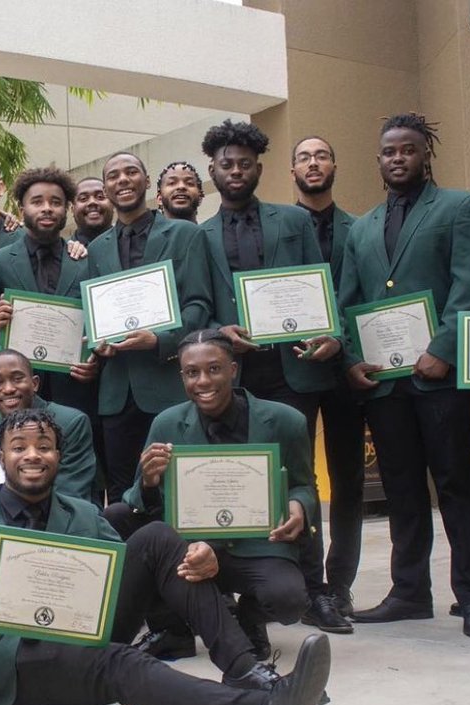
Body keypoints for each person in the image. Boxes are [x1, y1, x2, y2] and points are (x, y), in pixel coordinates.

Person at [0, 408, 332, 705]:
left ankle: (246, 670)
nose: (32, 455)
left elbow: (122, 575)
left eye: (44, 446)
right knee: (124, 663)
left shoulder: (83, 513)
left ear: (59, 456)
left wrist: (198, 559)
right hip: (20, 659)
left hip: (82, 629)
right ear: (1, 456)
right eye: (19, 447)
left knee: (157, 536)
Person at [336, 113, 470, 639]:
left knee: (456, 483)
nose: (397, 158)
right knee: (403, 489)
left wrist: (445, 347)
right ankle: (409, 592)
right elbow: (351, 301)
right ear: (378, 160)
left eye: (408, 149)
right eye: (388, 151)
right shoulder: (361, 227)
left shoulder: (460, 207)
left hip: (440, 376)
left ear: (426, 154)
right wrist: (353, 358)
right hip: (385, 384)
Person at [198, 120, 346, 634]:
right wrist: (219, 329)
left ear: (258, 169)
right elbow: (199, 306)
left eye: (244, 164)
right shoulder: (199, 235)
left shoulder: (293, 221)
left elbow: (317, 288)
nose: (235, 172)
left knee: (299, 478)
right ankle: (248, 590)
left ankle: (316, 589)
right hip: (231, 378)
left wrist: (330, 331)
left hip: (292, 370)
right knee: (236, 479)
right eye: (226, 164)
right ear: (211, 171)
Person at [115, 330, 317, 662]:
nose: (203, 381)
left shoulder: (285, 420)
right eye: (192, 373)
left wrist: (299, 505)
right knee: (118, 517)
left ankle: (250, 616)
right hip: (192, 545)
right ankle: (171, 629)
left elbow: (302, 484)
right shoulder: (166, 423)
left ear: (233, 369)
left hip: (256, 544)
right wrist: (149, 480)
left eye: (214, 369)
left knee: (288, 600)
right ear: (182, 376)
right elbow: (137, 500)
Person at [86, 151, 212, 503]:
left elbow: (199, 304)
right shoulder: (96, 249)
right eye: (113, 175)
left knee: (177, 491)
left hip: (166, 385)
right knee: (124, 496)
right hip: (116, 394)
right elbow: (93, 314)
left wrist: (160, 340)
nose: (122, 180)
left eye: (131, 172)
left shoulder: (184, 234)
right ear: (107, 187)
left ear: (146, 181)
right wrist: (96, 344)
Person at [289, 135, 365, 631]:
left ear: (334, 164)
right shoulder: (279, 227)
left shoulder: (361, 230)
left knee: (349, 477)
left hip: (349, 369)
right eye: (303, 157)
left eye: (321, 155)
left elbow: (362, 298)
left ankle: (340, 584)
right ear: (292, 169)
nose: (313, 163)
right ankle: (305, 581)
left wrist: (342, 341)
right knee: (300, 478)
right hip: (295, 365)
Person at [0, 166, 99, 420]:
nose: (47, 208)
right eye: (37, 201)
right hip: (17, 395)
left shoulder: (87, 261)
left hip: (77, 390)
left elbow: (100, 323)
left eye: (56, 202)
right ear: (21, 209)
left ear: (67, 209)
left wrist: (95, 359)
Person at [0, 350, 96, 503]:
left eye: (18, 379)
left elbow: (71, 493)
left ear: (35, 383)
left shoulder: (71, 422)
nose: (9, 388)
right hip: (5, 520)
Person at [69, 176, 113, 246]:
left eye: (100, 197)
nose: (92, 202)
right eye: (83, 198)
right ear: (72, 209)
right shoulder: (62, 253)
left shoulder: (130, 244)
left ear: (113, 203)